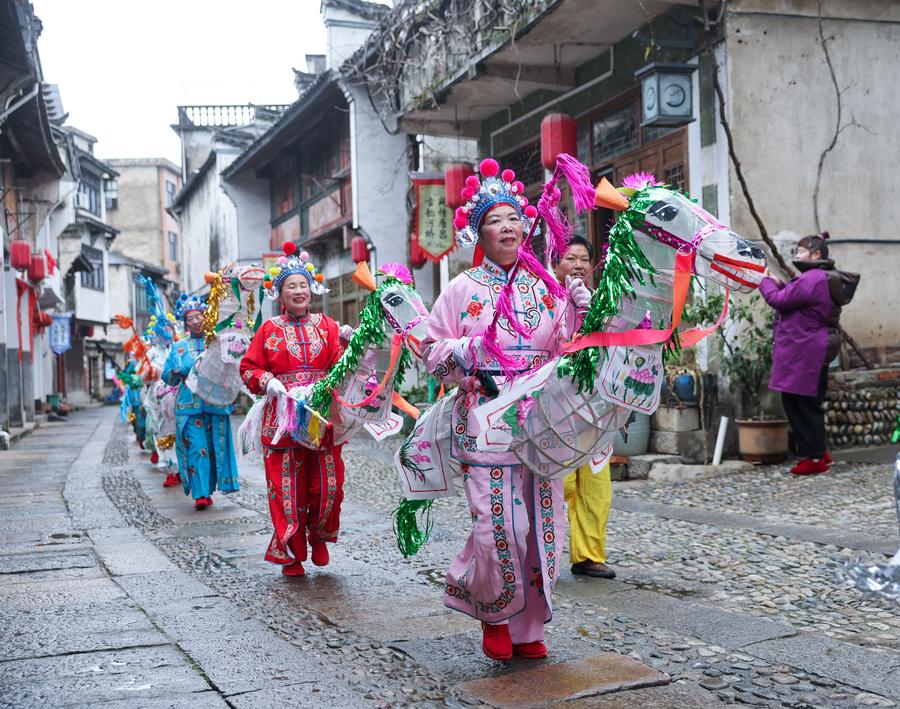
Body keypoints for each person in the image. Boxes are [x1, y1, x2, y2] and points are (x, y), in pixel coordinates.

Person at [422, 159, 590, 661]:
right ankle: (494, 613)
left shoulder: (547, 287)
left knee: (542, 526)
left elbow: (568, 349)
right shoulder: (461, 289)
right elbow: (431, 352)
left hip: (540, 420)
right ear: (480, 233)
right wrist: (468, 351)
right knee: (500, 525)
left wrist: (580, 310)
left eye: (515, 218)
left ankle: (528, 625)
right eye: (495, 220)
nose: (508, 227)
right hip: (486, 417)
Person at [239, 243, 344, 577]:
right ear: (280, 294)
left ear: (311, 289)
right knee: (287, 489)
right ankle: (293, 552)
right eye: (291, 286)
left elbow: (341, 367)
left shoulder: (328, 326)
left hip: (322, 415)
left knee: (328, 486)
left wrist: (353, 348)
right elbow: (248, 367)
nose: (298, 291)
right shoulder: (269, 329)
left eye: (303, 285)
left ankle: (320, 536)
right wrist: (268, 381)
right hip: (282, 420)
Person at [760, 232, 858, 476]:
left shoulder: (812, 278)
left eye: (801, 251)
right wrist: (780, 283)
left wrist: (765, 282)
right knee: (810, 401)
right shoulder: (822, 277)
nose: (797, 255)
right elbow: (800, 300)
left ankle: (814, 458)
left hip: (804, 350)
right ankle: (820, 452)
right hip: (815, 347)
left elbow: (780, 301)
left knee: (798, 403)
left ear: (816, 254)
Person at [551, 236, 616, 580]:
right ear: (555, 264)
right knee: (555, 482)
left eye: (583, 259)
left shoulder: (602, 300)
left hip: (594, 407)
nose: (578, 265)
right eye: (570, 258)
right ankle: (537, 550)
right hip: (555, 407)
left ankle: (589, 555)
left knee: (595, 482)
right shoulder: (543, 299)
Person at [162, 294, 240, 508]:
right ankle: (201, 494)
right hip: (189, 405)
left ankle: (210, 487)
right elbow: (167, 377)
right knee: (198, 448)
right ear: (185, 323)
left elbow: (232, 367)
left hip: (215, 403)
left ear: (207, 317)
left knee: (214, 449)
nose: (196, 321)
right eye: (190, 318)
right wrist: (175, 371)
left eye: (199, 316)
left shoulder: (218, 341)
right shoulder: (179, 347)